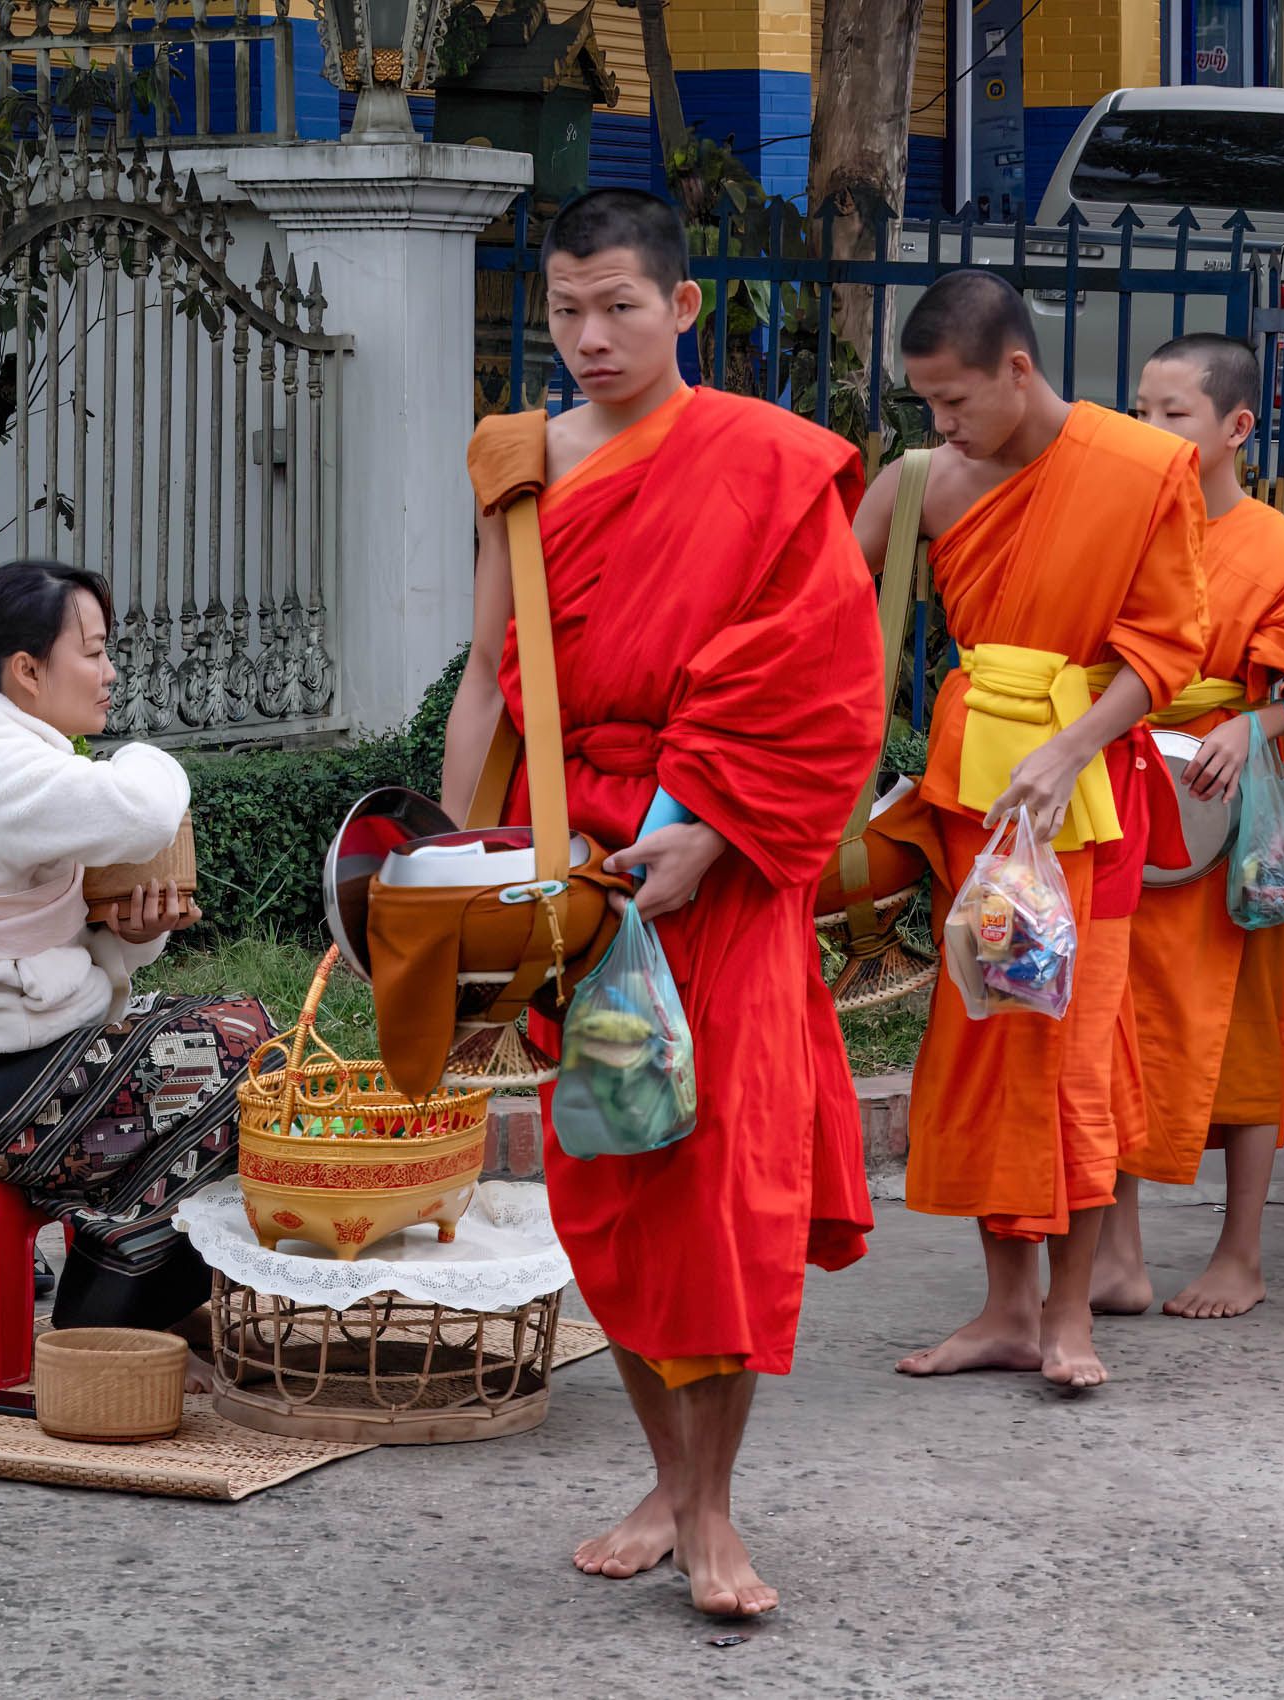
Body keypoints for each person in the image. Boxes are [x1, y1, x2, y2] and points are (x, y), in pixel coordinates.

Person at [441, 189, 883, 1618]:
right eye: (565, 309)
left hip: (725, 873)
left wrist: (718, 834)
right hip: (577, 878)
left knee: (725, 1188)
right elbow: (483, 679)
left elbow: (825, 683)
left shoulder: (761, 462)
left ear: (681, 308)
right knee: (614, 1185)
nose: (588, 336)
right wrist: (464, 873)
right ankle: (665, 1472)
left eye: (618, 305)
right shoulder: (517, 465)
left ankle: (712, 1509)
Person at [864, 268, 1206, 1389]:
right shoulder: (932, 482)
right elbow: (814, 606)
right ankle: (1006, 1307)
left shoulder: (1141, 468)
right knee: (981, 1047)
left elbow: (1166, 647)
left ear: (1019, 367)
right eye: (926, 406)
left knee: (1073, 1050)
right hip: (978, 804)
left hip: (1088, 806)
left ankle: (1070, 1316)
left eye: (955, 400)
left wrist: (1071, 746)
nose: (943, 426)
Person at [0, 560, 264, 1350]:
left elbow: (28, 945)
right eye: (94, 652)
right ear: (28, 671)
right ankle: (105, 1318)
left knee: (242, 1033)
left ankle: (135, 1283)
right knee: (240, 1066)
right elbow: (144, 808)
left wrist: (128, 941)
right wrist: (147, 757)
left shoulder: (1, 751)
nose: (110, 673)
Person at [1093, 334, 1284, 1320]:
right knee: (1110, 1025)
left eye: (1174, 413)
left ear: (1237, 427)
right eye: (1140, 409)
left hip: (1221, 823)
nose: (1149, 430)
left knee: (1244, 1041)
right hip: (1126, 805)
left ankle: (1239, 1250)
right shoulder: (1121, 528)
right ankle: (1115, 1250)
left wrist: (1257, 722)